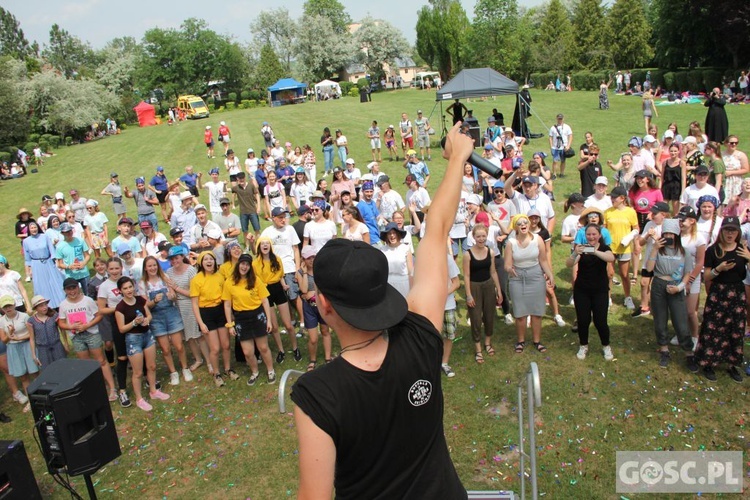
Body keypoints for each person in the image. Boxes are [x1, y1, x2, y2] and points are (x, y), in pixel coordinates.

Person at [290, 123, 472, 499]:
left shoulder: (317, 394)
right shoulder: (421, 336)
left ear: (324, 305)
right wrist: (457, 159)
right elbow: (436, 232)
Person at [695, 216, 748, 382]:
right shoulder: (713, 250)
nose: (730, 233)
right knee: (713, 328)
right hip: (718, 292)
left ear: (738, 232)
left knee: (736, 328)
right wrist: (720, 268)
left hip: (737, 293)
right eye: (727, 230)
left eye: (733, 230)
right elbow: (707, 276)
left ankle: (732, 364)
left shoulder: (742, 249)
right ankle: (709, 362)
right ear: (722, 231)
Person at [644, 219, 697, 370]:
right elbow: (648, 269)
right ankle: (664, 349)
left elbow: (687, 272)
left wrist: (679, 287)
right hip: (659, 284)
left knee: (680, 321)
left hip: (676, 286)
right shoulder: (658, 248)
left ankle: (689, 352)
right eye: (665, 233)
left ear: (677, 235)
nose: (668, 236)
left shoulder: (683, 251)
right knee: (660, 320)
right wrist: (654, 249)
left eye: (671, 234)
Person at [114, 276, 170, 411]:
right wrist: (134, 323)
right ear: (120, 290)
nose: (129, 290)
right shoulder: (120, 308)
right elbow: (121, 328)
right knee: (138, 372)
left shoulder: (140, 299)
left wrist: (146, 320)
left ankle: (153, 391)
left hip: (147, 336)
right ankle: (139, 398)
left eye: (130, 287)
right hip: (133, 340)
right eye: (125, 288)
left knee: (151, 366)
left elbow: (149, 314)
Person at [505, 214, 555, 354]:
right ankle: (521, 341)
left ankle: (537, 341)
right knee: (520, 313)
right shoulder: (511, 242)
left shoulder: (538, 239)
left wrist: (550, 275)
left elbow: (543, 260)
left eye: (525, 222)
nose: (523, 225)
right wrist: (510, 269)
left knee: (536, 312)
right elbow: (507, 264)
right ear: (516, 227)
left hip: (535, 276)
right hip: (517, 278)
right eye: (519, 223)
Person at [223, 253, 275, 386]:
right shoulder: (229, 281)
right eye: (242, 263)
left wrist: (269, 320)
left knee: (263, 347)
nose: (244, 267)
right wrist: (230, 325)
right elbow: (227, 305)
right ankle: (255, 372)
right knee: (247, 351)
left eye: (247, 264)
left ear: (250, 267)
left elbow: (265, 300)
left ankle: (270, 370)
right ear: (238, 264)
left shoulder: (255, 280)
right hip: (241, 318)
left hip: (257, 315)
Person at [140, 256, 191, 386]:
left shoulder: (165, 278)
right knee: (165, 349)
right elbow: (145, 306)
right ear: (145, 268)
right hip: (156, 318)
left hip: (171, 314)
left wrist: (172, 296)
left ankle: (185, 368)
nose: (152, 268)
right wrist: (154, 301)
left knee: (179, 346)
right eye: (149, 266)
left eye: (154, 265)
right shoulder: (142, 284)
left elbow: (173, 297)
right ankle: (173, 372)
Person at [566, 223, 614, 360]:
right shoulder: (581, 248)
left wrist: (594, 251)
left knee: (600, 321)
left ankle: (606, 346)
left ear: (599, 235)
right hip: (582, 290)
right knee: (583, 320)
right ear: (585, 235)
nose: (591, 237)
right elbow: (569, 263)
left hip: (600, 290)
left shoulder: (604, 248)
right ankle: (583, 345)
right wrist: (576, 252)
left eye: (594, 234)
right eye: (588, 234)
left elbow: (610, 258)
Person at [253, 238, 302, 363]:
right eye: (262, 244)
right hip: (265, 291)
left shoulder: (277, 259)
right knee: (274, 326)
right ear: (259, 247)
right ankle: (281, 350)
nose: (265, 246)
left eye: (267, 244)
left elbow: (280, 275)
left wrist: (284, 284)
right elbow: (256, 280)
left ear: (270, 246)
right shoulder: (255, 263)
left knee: (288, 325)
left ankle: (295, 348)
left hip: (277, 289)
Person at [463, 223, 502, 364]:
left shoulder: (490, 252)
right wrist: (468, 295)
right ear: (473, 237)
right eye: (478, 236)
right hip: (474, 287)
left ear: (487, 236)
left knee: (489, 316)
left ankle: (487, 343)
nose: (481, 239)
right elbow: (466, 276)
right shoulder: (467, 255)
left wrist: (498, 289)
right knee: (476, 318)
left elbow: (493, 271)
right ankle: (478, 348)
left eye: (483, 236)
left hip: (488, 286)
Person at [0, 295, 38, 412]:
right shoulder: (1, 321)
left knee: (35, 373)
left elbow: (32, 334)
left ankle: (41, 396)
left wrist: (18, 338)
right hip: (13, 349)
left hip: (26, 345)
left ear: (14, 305)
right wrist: (10, 334)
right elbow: (4, 340)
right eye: (5, 307)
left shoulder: (24, 316)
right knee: (23, 376)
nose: (8, 308)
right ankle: (31, 401)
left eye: (9, 305)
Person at [604, 187, 639, 310]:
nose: (612, 199)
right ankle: (607, 297)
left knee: (624, 274)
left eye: (614, 197)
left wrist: (629, 237)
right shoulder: (607, 212)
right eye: (611, 197)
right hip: (610, 248)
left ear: (622, 198)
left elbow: (636, 228)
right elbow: (603, 229)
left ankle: (628, 297)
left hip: (624, 249)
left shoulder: (631, 212)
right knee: (609, 274)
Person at [22, 222, 66, 309]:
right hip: (36, 265)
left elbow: (52, 250)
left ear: (38, 228)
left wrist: (55, 262)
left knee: (54, 282)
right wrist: (28, 271)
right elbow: (27, 259)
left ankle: (60, 303)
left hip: (48, 262)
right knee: (41, 285)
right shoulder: (26, 241)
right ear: (29, 230)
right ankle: (44, 305)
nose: (34, 229)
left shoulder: (45, 236)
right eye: (32, 228)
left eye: (35, 227)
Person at [27, 295, 67, 371]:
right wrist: (34, 355)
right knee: (48, 370)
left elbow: (62, 330)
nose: (45, 307)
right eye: (41, 306)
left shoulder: (53, 316)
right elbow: (32, 338)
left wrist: (65, 343)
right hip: (42, 349)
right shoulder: (31, 321)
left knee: (63, 368)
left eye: (45, 304)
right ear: (36, 308)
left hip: (56, 345)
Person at [549, 113, 573, 178]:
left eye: (561, 119)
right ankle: (554, 174)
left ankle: (562, 173)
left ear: (563, 119)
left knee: (563, 161)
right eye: (559, 119)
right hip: (555, 147)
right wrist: (551, 147)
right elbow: (550, 137)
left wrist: (568, 145)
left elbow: (570, 136)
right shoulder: (553, 128)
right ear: (557, 119)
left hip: (564, 147)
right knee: (555, 161)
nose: (560, 120)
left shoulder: (567, 127)